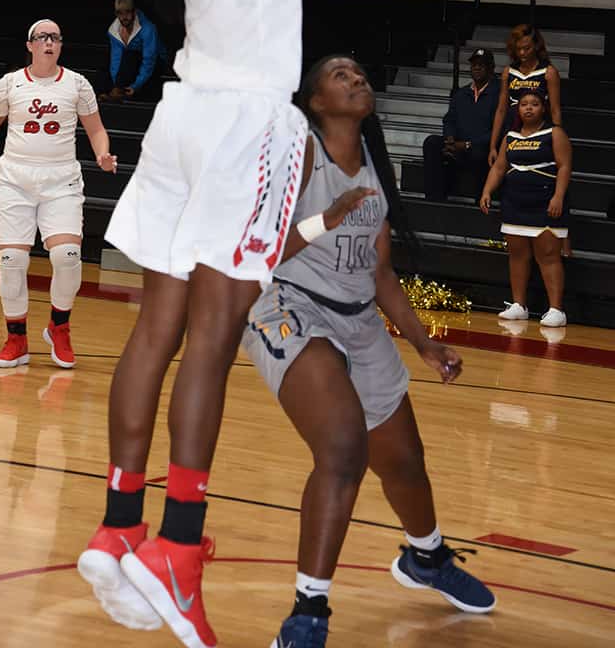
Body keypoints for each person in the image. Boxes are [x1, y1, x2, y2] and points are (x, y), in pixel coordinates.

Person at [77, 0, 365, 648]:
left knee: (153, 328)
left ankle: (118, 527)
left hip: (182, 119)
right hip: (242, 124)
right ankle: (179, 550)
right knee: (209, 333)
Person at [242, 55, 495, 648]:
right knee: (343, 446)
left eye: (361, 72)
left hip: (358, 320)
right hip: (289, 304)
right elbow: (257, 244)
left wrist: (425, 344)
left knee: (405, 461)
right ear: (315, 102)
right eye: (340, 75)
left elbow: (380, 274)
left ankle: (427, 558)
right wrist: (322, 220)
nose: (357, 79)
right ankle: (308, 611)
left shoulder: (375, 168)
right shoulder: (301, 153)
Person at [0, 18, 117, 368]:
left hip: (61, 179)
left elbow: (96, 130)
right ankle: (16, 339)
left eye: (56, 37)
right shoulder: (9, 84)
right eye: (42, 37)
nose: (50, 42)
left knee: (67, 257)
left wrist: (103, 154)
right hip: (15, 178)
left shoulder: (77, 84)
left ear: (60, 46)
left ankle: (59, 327)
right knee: (12, 261)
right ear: (30, 45)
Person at [480, 89, 572, 327]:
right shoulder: (510, 136)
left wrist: (558, 196)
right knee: (517, 255)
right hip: (515, 201)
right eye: (524, 104)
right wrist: (487, 191)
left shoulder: (555, 133)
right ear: (518, 109)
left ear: (543, 108)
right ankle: (519, 305)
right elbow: (499, 167)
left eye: (534, 104)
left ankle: (556, 310)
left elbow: (564, 167)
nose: (529, 108)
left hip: (545, 202)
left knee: (548, 256)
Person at [423, 49, 499, 202]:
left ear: (491, 68)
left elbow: (499, 130)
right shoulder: (461, 93)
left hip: (480, 149)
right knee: (431, 142)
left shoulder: (498, 93)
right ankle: (434, 200)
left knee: (480, 153)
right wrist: (450, 138)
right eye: (474, 65)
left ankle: (480, 204)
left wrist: (468, 144)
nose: (477, 68)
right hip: (458, 146)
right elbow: (449, 119)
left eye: (481, 65)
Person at [488, 24, 561, 166]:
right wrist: (492, 145)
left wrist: (557, 139)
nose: (522, 53)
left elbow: (555, 109)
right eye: (518, 49)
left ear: (536, 46)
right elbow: (501, 110)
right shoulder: (508, 72)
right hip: (512, 126)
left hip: (537, 127)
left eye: (527, 48)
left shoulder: (548, 72)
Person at [96, 0, 166, 102]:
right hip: (132, 64)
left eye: (127, 12)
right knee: (107, 61)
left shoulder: (148, 29)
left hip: (157, 61)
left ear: (134, 12)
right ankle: (114, 92)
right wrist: (117, 84)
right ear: (116, 14)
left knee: (131, 56)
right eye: (120, 13)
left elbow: (149, 60)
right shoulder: (114, 30)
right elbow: (116, 59)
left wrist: (135, 86)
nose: (124, 17)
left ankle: (120, 93)